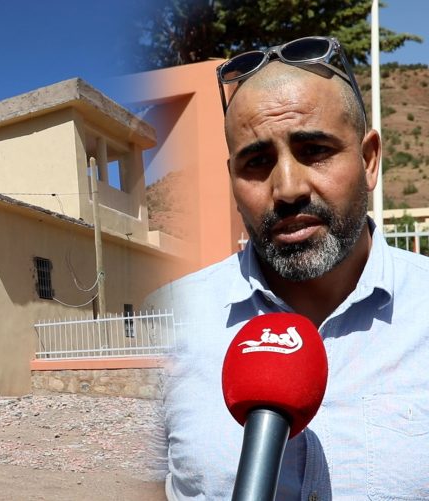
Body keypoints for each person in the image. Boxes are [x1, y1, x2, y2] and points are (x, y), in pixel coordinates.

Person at [145, 36, 429, 500]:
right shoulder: (167, 322)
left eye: (314, 150)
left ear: (369, 160)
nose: (288, 188)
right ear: (232, 180)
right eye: (257, 162)